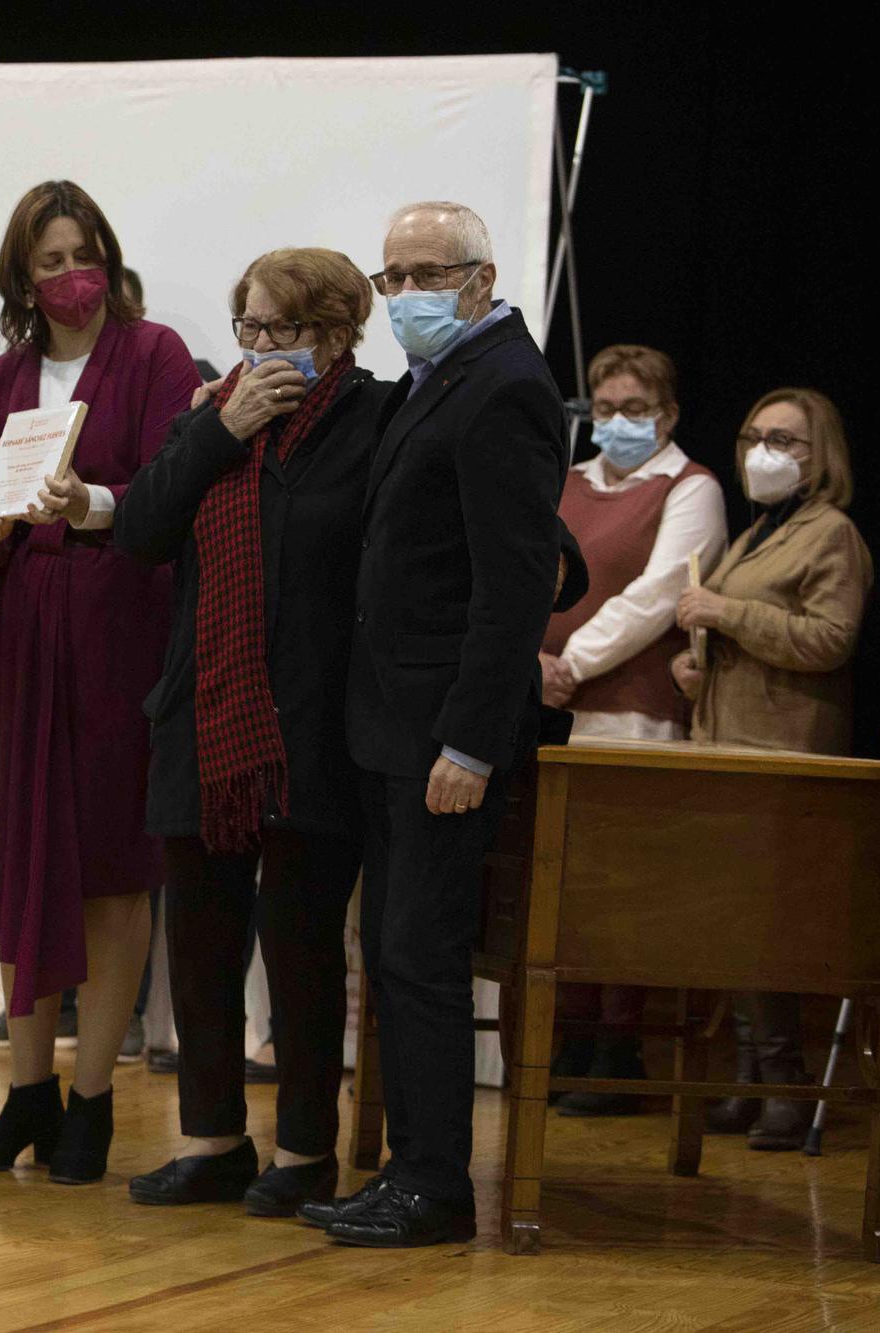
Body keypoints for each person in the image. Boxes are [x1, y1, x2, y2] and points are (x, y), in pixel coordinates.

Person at [303, 202, 564, 1248]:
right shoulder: (438, 379)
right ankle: (409, 1170)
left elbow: (510, 592)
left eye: (425, 271)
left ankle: (433, 1184)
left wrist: (468, 740)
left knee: (419, 954)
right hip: (388, 722)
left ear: (480, 276)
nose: (403, 290)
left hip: (438, 736)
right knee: (399, 957)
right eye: (391, 273)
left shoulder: (501, 386)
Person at [116, 247, 388, 1216]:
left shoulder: (375, 418)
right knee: (198, 938)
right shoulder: (210, 413)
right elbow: (138, 531)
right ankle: (213, 1140)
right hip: (203, 716)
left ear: (333, 334)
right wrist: (215, 434)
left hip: (311, 727)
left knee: (301, 943)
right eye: (250, 327)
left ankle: (306, 1150)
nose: (263, 347)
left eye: (284, 330)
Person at [0, 180, 199, 1185]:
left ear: (108, 256)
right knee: (22, 860)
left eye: (82, 251)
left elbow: (173, 490)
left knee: (109, 865)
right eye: (48, 260)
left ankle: (91, 1095)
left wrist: (92, 500)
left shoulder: (155, 354)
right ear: (21, 275)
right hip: (19, 634)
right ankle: (25, 1094)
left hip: (115, 627)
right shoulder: (0, 379)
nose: (68, 274)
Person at [670, 387, 872, 1150]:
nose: (764, 450)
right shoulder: (761, 529)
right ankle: (751, 1074)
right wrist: (704, 665)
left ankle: (786, 1085)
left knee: (770, 929)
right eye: (755, 434)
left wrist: (725, 617)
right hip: (727, 747)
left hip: (785, 754)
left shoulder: (832, 535)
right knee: (735, 924)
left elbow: (830, 640)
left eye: (784, 439)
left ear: (821, 456)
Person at [538, 345, 727, 1115]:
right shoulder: (567, 481)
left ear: (669, 413)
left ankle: (620, 1049)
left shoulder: (692, 488)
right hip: (552, 704)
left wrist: (569, 661)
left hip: (634, 706)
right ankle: (570, 1037)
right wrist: (532, 662)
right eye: (606, 407)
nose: (618, 422)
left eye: (635, 409)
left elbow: (657, 595)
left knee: (625, 885)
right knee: (562, 880)